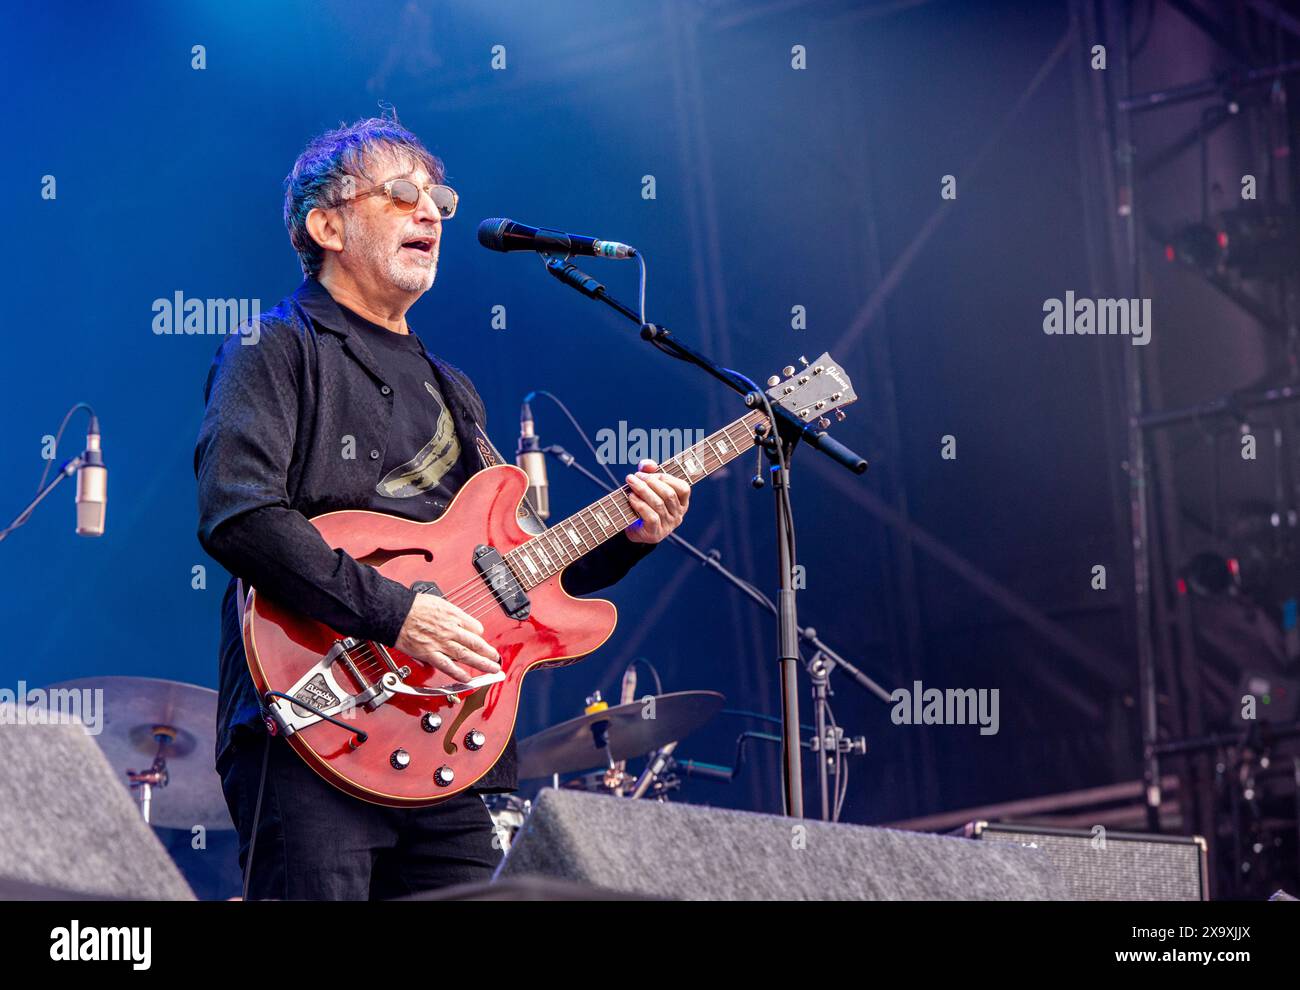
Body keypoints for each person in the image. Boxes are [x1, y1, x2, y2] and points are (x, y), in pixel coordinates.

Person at [194, 115, 691, 900]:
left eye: (438, 201)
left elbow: (516, 572)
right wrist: (396, 613)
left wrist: (630, 534)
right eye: (401, 194)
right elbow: (241, 515)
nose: (430, 214)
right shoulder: (273, 348)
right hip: (317, 720)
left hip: (458, 741)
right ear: (326, 224)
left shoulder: (452, 387)